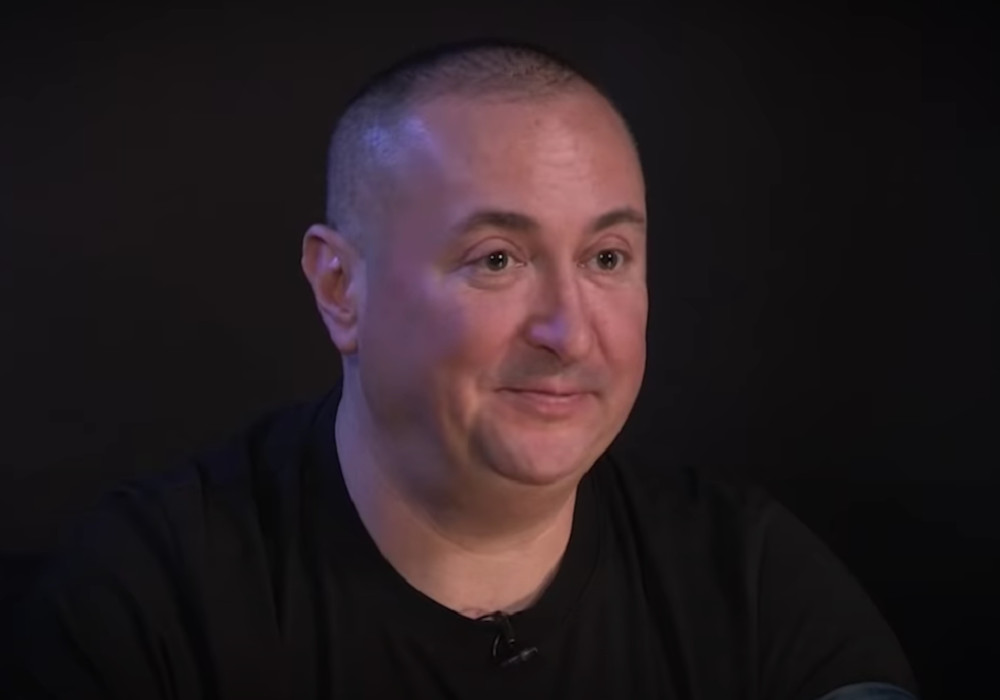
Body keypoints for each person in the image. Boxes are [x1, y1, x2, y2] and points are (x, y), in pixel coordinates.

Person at [2, 39, 919, 699]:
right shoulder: (147, 600)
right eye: (496, 260)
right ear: (340, 288)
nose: (568, 332)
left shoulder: (745, 576)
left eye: (606, 258)